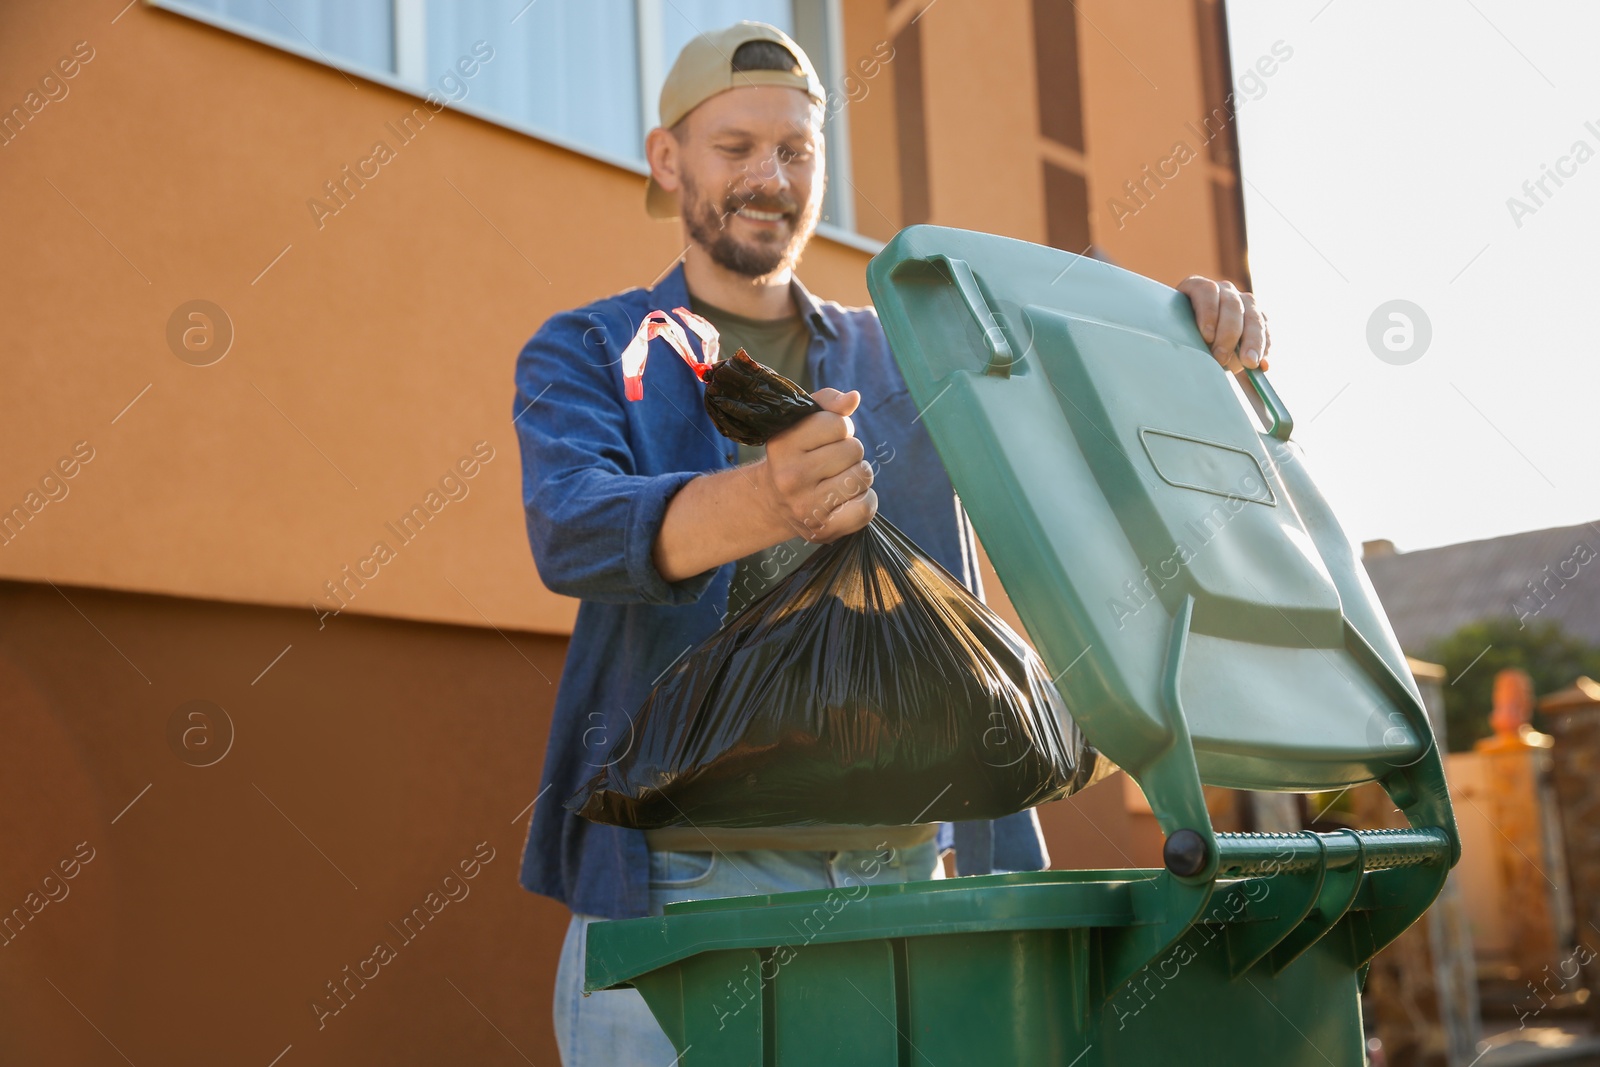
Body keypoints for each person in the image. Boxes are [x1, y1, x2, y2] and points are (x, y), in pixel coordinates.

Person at [512, 21, 1273, 1066]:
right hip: (677, 886)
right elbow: (577, 528)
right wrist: (767, 500)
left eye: (796, 151)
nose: (767, 177)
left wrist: (1177, 345)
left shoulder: (909, 353)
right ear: (666, 158)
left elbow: (1085, 452)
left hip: (911, 876)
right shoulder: (592, 349)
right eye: (734, 147)